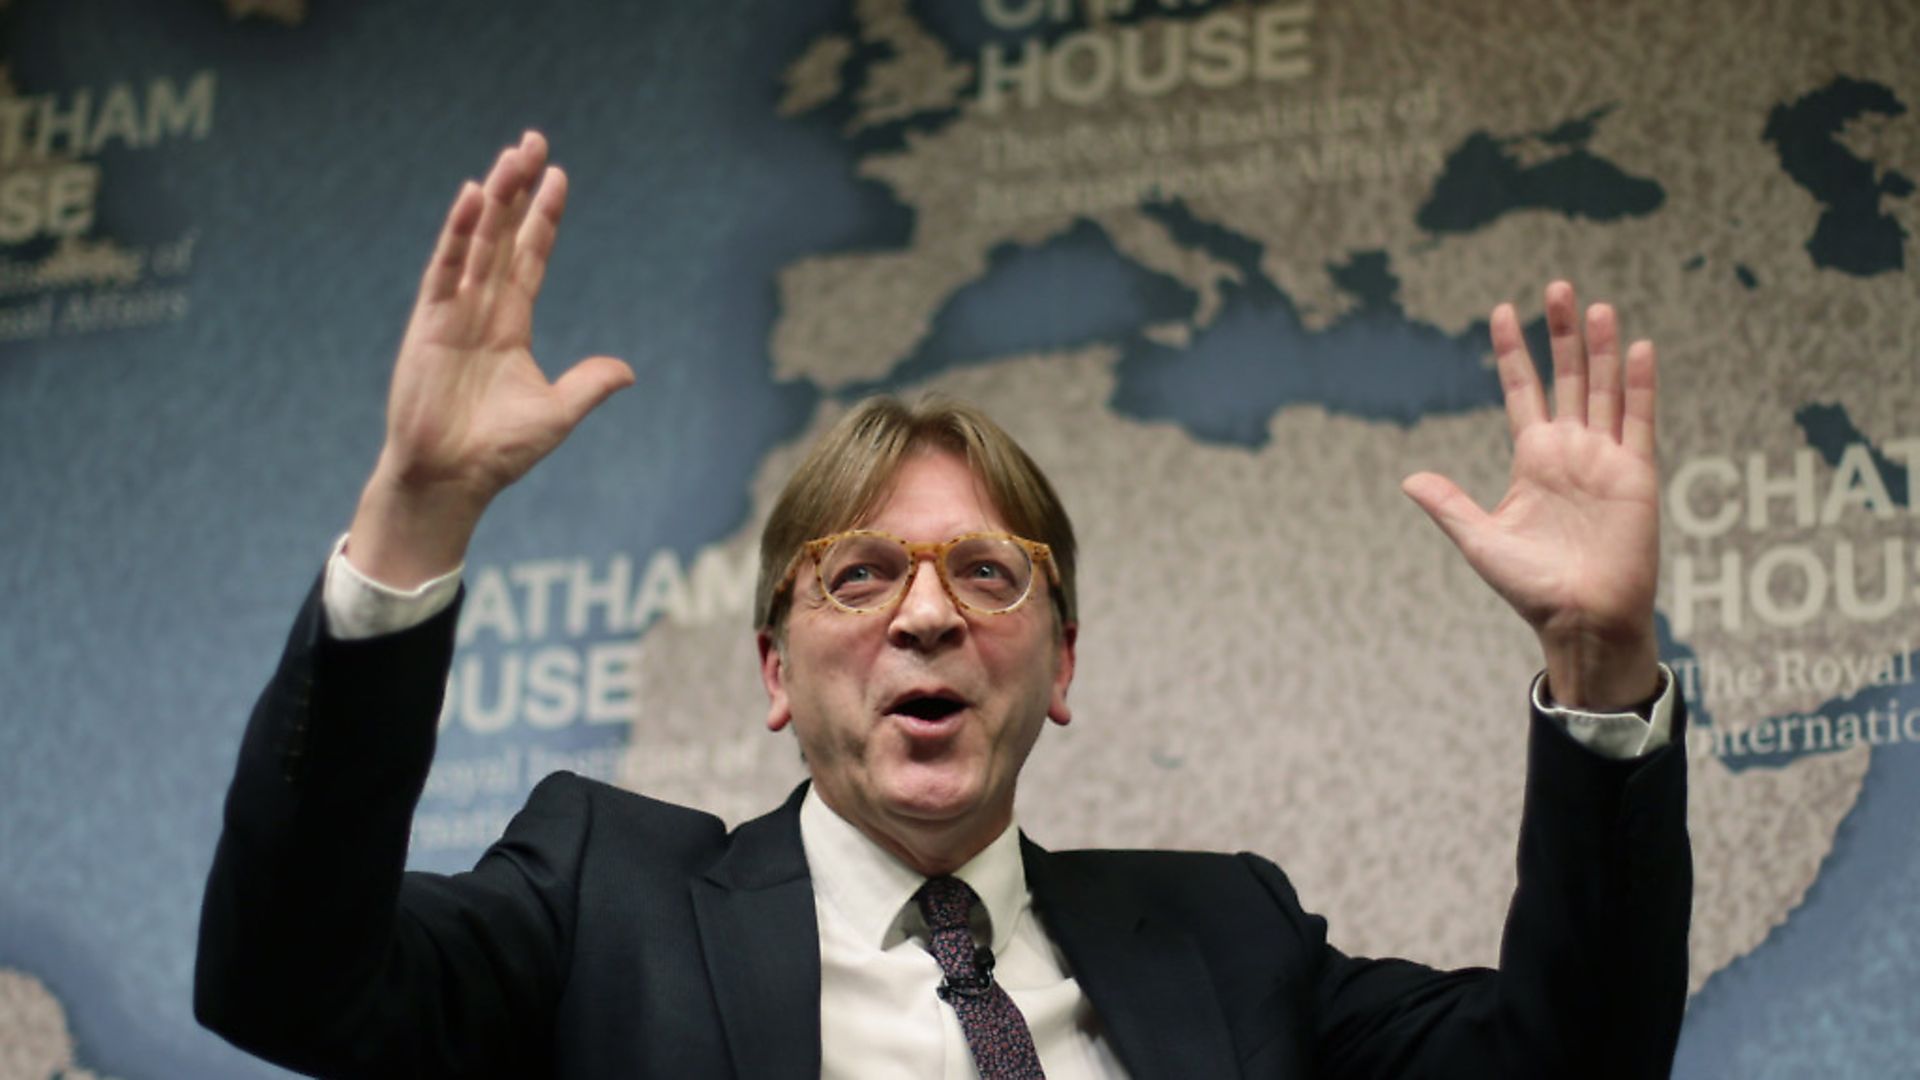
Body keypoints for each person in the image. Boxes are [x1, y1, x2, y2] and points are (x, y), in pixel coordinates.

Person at [195, 132, 1691, 1079]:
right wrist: (416, 518)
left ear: (1062, 663)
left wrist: (1601, 663)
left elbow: (1573, 1063)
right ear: (776, 672)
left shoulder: (1224, 936)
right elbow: (283, 985)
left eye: (988, 574)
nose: (926, 618)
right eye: (861, 574)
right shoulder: (605, 907)